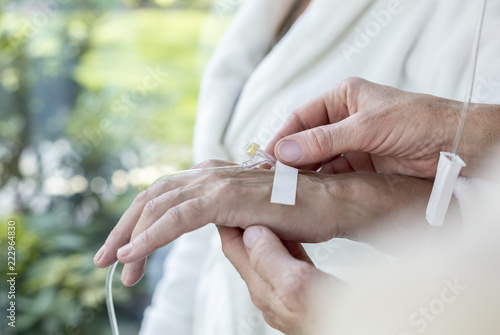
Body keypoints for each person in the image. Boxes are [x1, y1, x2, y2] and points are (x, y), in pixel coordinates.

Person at [94, 0, 500, 334]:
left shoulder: (477, 21)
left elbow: (479, 251)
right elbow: (210, 214)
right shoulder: (265, 11)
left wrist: (346, 202)